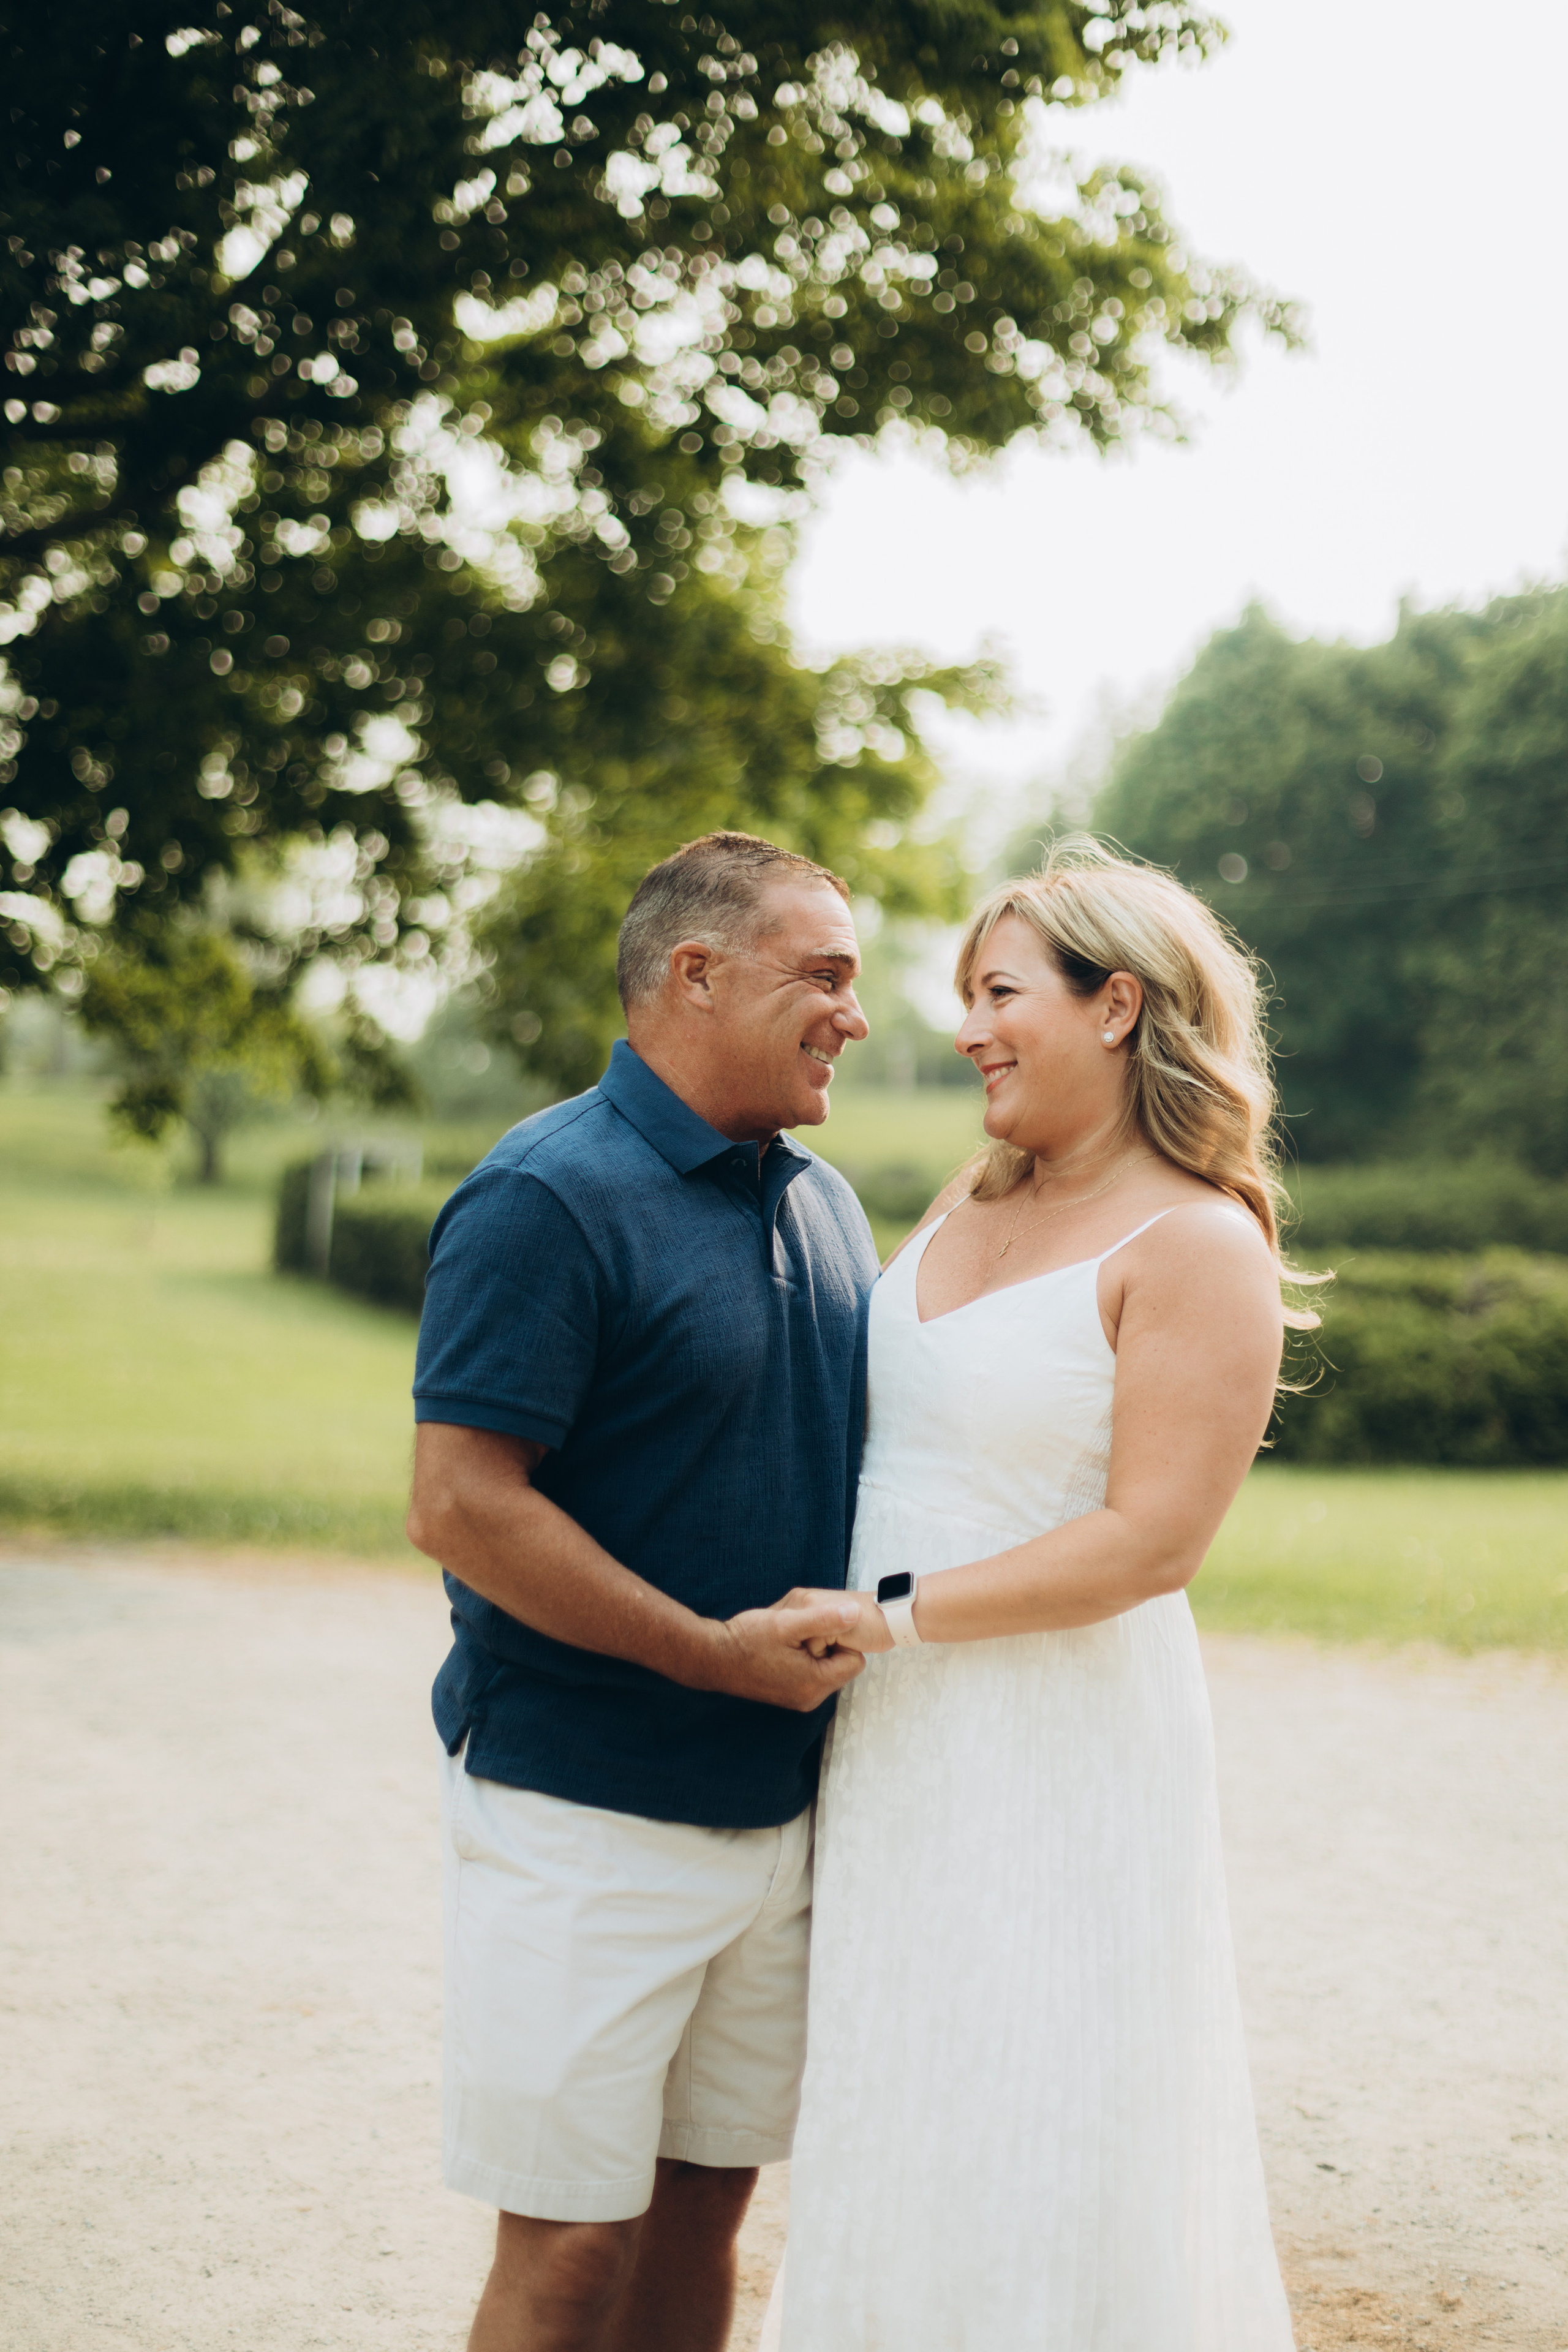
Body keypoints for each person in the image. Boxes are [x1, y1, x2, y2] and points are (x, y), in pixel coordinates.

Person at [766, 839, 1308, 2351]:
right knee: (896, 2084)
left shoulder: (1197, 1243)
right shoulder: (967, 1194)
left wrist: (890, 1614)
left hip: (1053, 1740)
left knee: (1044, 2095)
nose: (966, 1029)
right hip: (893, 1735)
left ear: (1117, 1004)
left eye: (998, 992)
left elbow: (1150, 1541)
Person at [406, 831, 878, 2352]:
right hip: (582, 1813)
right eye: (824, 974)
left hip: (779, 1818)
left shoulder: (826, 1204)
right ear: (694, 972)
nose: (853, 1015)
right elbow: (462, 1505)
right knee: (566, 2263)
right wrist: (709, 1658)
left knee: (703, 2236)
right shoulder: (547, 1194)